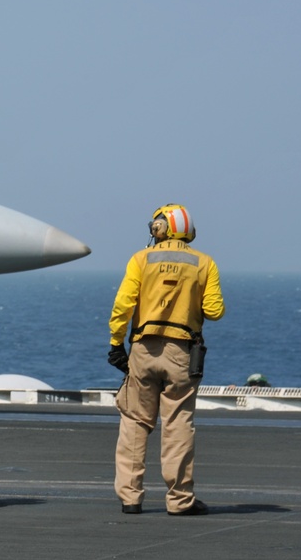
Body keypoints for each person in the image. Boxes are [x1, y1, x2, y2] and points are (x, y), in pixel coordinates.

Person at [107, 203, 224, 517]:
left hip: (143, 349)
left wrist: (116, 343)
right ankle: (180, 500)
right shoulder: (205, 263)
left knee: (134, 421)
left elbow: (123, 305)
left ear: (160, 227)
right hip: (183, 353)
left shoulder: (141, 259)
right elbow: (215, 311)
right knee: (178, 424)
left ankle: (130, 498)